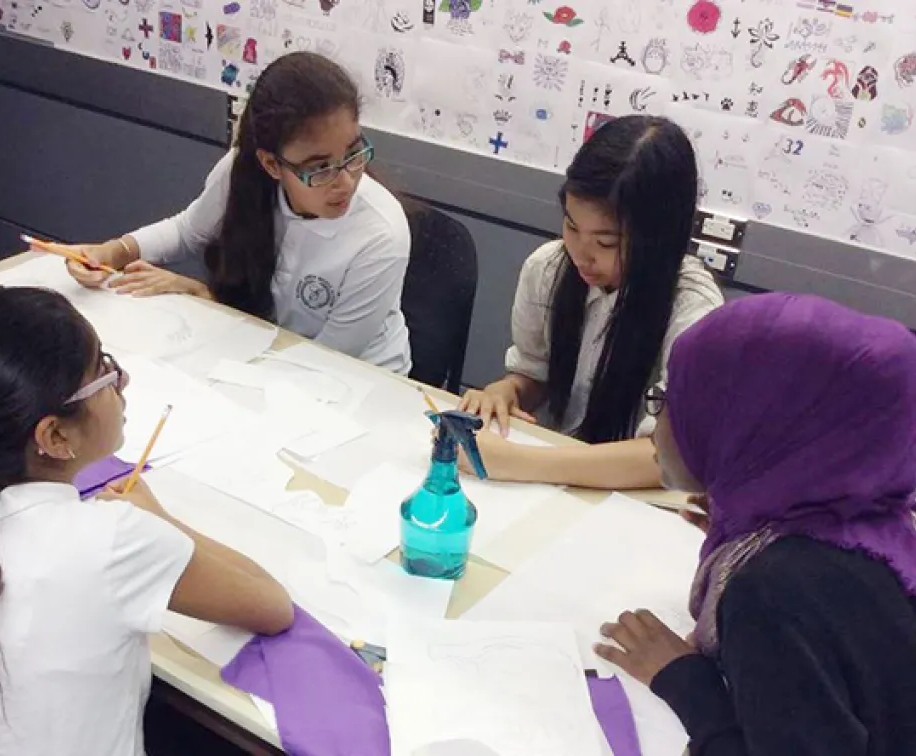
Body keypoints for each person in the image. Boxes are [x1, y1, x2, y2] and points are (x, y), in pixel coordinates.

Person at [0, 287, 294, 756]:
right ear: (55, 435)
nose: (121, 383)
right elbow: (271, 606)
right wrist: (162, 521)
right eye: (103, 371)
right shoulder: (111, 541)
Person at [595, 293, 916, 756]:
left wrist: (684, 681)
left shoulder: (773, 592)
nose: (656, 419)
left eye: (672, 398)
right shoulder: (870, 524)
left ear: (750, 425)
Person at [62, 52, 413, 374]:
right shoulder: (243, 172)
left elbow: (327, 359)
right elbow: (188, 231)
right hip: (260, 354)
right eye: (319, 167)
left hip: (357, 381)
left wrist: (212, 303)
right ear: (272, 164)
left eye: (353, 154)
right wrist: (113, 251)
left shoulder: (381, 232)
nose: (345, 181)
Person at [458, 115, 723, 489]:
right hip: (563, 480)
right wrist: (508, 390)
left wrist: (520, 462)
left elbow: (665, 456)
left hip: (640, 501)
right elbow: (536, 373)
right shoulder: (548, 268)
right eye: (570, 226)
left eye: (606, 242)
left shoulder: (694, 308)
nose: (581, 254)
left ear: (658, 237)